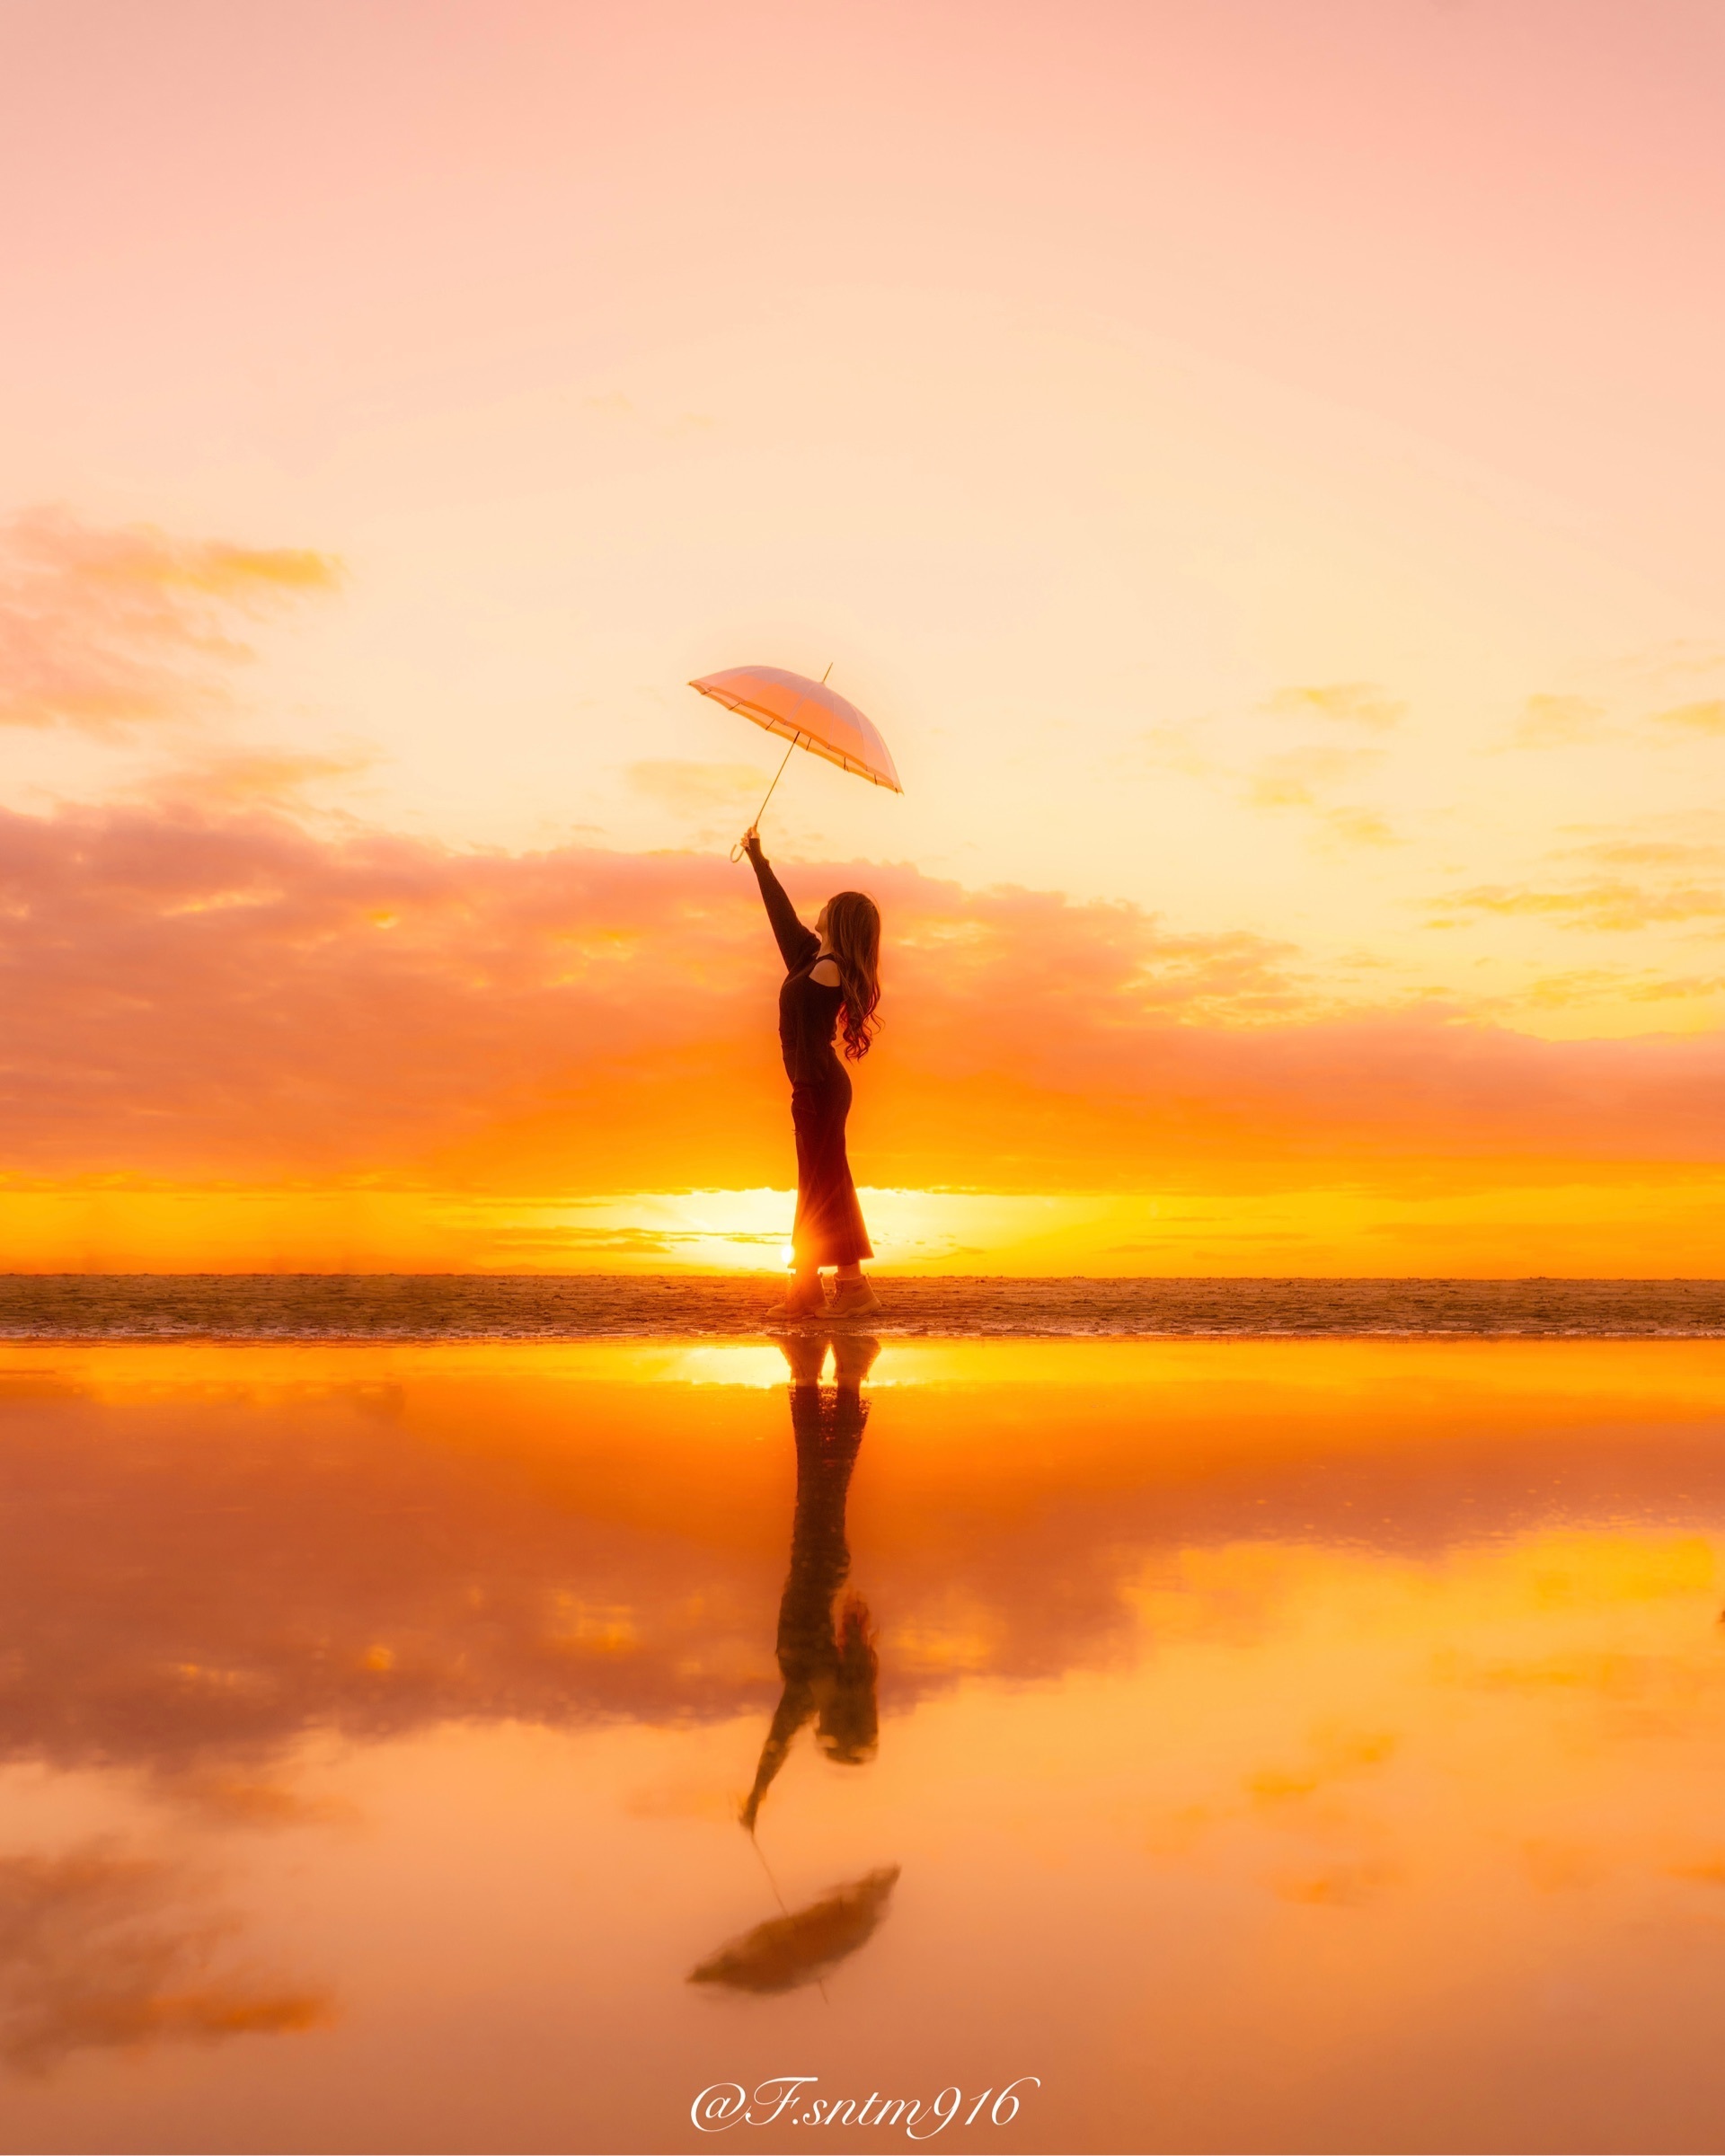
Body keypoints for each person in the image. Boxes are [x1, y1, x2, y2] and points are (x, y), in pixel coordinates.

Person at [741, 825, 881, 1321]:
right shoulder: (808, 958)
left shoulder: (830, 970)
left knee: (823, 1184)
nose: (819, 907)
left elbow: (805, 1038)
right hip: (814, 1084)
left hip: (817, 1085)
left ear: (840, 920)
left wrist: (802, 1090)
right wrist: (760, 860)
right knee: (821, 1183)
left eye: (830, 903)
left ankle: (846, 1287)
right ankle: (812, 1288)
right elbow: (782, 918)